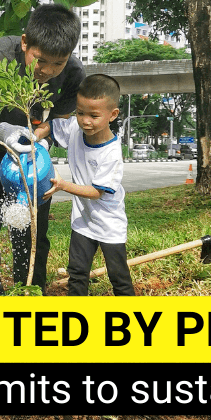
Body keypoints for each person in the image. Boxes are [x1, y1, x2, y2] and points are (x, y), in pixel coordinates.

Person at [0, 3, 85, 296]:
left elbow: (58, 119)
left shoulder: (73, 73)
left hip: (30, 160)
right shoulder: (0, 54)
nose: (48, 71)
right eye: (40, 60)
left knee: (31, 235)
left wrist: (40, 135)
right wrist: (4, 130)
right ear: (24, 43)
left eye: (59, 63)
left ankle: (28, 298)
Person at [47, 74, 132, 296]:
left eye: (94, 115)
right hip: (82, 220)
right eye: (80, 112)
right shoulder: (76, 130)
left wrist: (63, 186)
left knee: (118, 277)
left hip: (109, 223)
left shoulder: (111, 153)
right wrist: (36, 134)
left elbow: (96, 192)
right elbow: (52, 127)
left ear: (112, 115)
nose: (85, 121)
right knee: (76, 273)